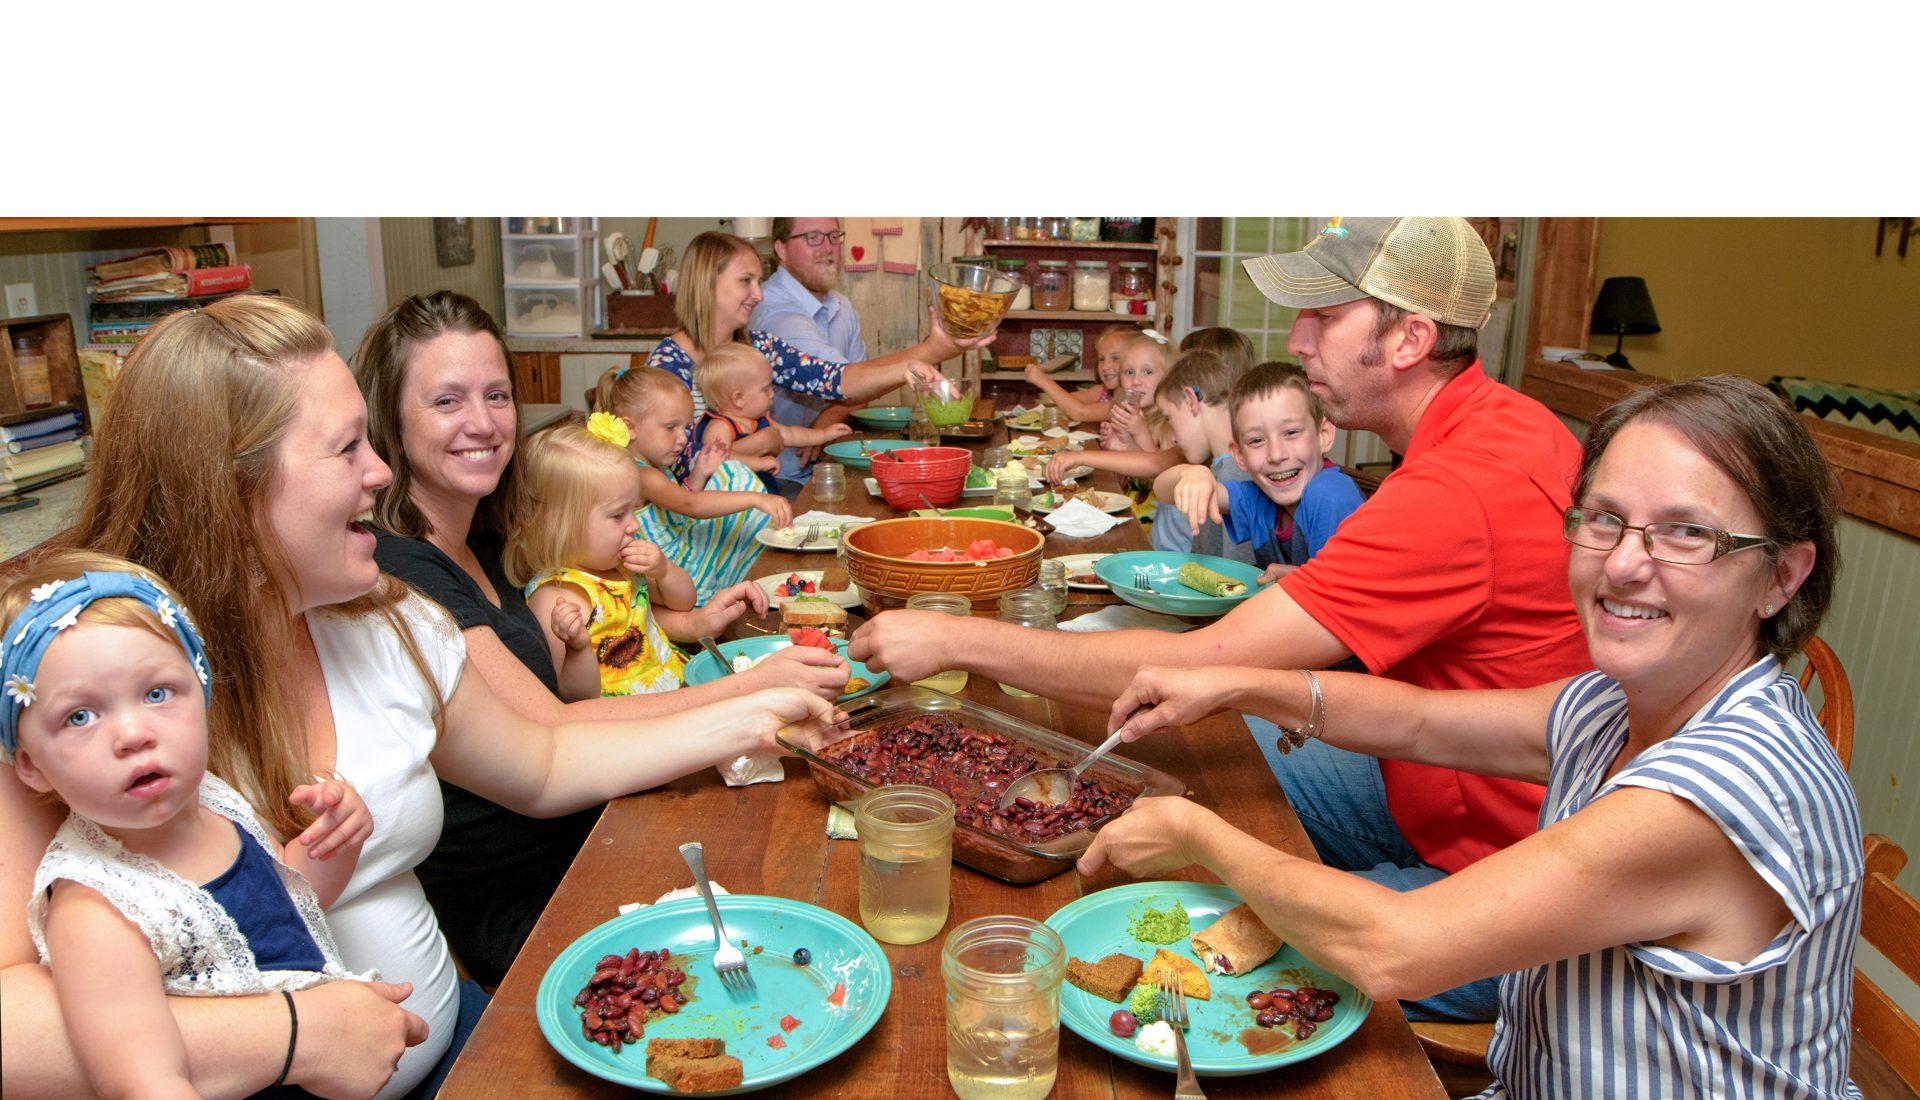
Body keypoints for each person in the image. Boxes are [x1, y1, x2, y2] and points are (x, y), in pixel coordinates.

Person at [1, 294, 848, 1099]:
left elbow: (545, 757)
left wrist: (749, 711)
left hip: (459, 1043)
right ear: (229, 485)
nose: (379, 472)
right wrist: (294, 1035)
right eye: (344, 450)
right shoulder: (75, 679)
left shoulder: (384, 618)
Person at [853, 217, 1590, 1021]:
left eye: (1325, 316)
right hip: (1445, 792)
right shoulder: (1509, 421)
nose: (1301, 342)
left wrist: (950, 636)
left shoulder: (1458, 489)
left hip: (1506, 874)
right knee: (1171, 760)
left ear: (1410, 339)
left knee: (1183, 966)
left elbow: (1195, 660)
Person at [1083, 375, 1860, 1097]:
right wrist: (1244, 683)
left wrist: (1197, 832)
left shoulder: (1719, 791)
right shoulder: (1619, 703)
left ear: (1783, 576)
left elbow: (1394, 946)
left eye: (1686, 533)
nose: (1623, 564)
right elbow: (1420, 720)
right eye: (1606, 519)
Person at [354, 292, 841, 992]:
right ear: (390, 422)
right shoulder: (405, 571)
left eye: (496, 395)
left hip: (599, 823)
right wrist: (749, 691)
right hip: (534, 890)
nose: (483, 423)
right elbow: (549, 731)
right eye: (446, 401)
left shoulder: (489, 536)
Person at [4, 553, 375, 1100]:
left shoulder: (216, 802)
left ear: (201, 696)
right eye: (79, 716)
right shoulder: (95, 911)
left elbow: (291, 909)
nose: (132, 733)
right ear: (32, 766)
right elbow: (145, 1084)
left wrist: (335, 842)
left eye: (157, 694)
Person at [655, 230, 953, 481]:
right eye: (746, 281)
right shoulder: (668, 363)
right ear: (707, 283)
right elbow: (671, 460)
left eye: (759, 282)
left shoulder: (759, 347)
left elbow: (835, 379)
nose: (759, 294)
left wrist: (908, 367)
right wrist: (764, 441)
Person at [749, 218, 1000, 487]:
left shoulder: (840, 304)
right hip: (784, 478)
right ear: (781, 249)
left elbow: (861, 389)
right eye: (812, 237)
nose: (827, 247)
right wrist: (935, 349)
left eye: (834, 236)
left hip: (829, 460)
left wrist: (827, 419)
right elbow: (843, 381)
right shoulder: (775, 312)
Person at [506, 417, 695, 699]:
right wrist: (577, 648)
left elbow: (684, 603)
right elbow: (576, 697)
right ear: (563, 525)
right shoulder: (556, 598)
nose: (633, 525)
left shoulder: (622, 562)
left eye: (634, 509)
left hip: (672, 681)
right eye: (619, 515)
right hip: (624, 717)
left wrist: (664, 571)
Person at [590, 363, 794, 604]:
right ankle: (757, 575)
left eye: (685, 427)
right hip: (678, 571)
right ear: (629, 427)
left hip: (679, 558)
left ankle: (761, 570)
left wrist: (699, 473)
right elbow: (690, 505)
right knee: (735, 474)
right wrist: (757, 498)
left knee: (727, 472)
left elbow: (675, 510)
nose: (682, 438)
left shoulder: (654, 466)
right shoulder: (639, 474)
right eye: (670, 427)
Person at [1156, 363, 1365, 582]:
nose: (1276, 455)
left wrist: (1300, 581)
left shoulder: (1330, 494)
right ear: (1239, 456)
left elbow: (1341, 594)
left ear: (1323, 435)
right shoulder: (1259, 500)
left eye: (1291, 432)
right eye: (1257, 440)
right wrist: (1192, 474)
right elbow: (1163, 490)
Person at [692, 342, 853, 493]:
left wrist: (824, 434)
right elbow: (719, 459)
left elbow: (790, 434)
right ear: (738, 399)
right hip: (729, 508)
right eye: (766, 389)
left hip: (761, 496)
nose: (772, 394)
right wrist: (758, 463)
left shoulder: (760, 420)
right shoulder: (720, 426)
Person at [1143, 352, 1256, 564]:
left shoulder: (1235, 471)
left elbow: (1238, 574)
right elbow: (1161, 489)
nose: (1174, 437)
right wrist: (1190, 471)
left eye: (1169, 418)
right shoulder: (1218, 466)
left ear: (1191, 400)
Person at [1024, 324, 1132, 424]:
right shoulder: (1102, 391)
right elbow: (1067, 400)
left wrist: (1043, 381)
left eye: (1116, 358)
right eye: (1101, 359)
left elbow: (1081, 413)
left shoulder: (1127, 405)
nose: (1105, 366)